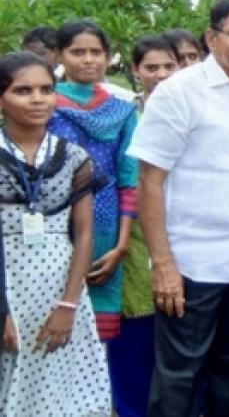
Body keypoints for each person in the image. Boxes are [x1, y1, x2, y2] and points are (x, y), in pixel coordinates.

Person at [127, 0, 229, 417]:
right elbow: (149, 181)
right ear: (212, 37)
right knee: (179, 374)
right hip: (194, 265)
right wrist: (162, 264)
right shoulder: (180, 92)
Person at [0, 51, 111, 415]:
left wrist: (68, 305)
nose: (37, 99)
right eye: (23, 90)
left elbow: (83, 234)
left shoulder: (73, 157)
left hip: (58, 286)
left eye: (46, 90)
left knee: (61, 387)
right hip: (8, 283)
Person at [47, 21, 138, 345]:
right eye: (78, 52)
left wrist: (121, 245)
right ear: (59, 55)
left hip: (107, 231)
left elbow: (129, 180)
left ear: (108, 57)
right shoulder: (43, 105)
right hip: (53, 228)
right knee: (51, 322)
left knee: (98, 341)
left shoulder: (123, 111)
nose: (89, 60)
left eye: (96, 53)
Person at [107, 34, 180, 417]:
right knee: (133, 333)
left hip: (182, 234)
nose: (162, 75)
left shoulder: (191, 113)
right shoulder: (123, 118)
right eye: (152, 67)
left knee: (179, 337)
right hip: (130, 237)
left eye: (170, 66)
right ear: (136, 71)